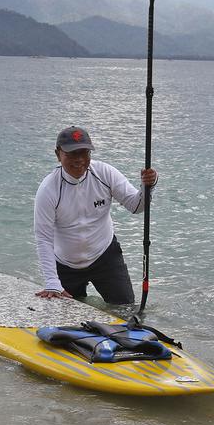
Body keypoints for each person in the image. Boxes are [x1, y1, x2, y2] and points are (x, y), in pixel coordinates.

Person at [33, 126, 157, 303]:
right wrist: (52, 282)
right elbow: (43, 238)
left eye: (84, 153)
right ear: (57, 154)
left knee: (126, 310)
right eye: (71, 154)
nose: (79, 160)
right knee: (65, 320)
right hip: (65, 265)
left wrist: (148, 186)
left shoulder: (105, 173)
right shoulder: (48, 189)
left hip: (105, 257)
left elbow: (136, 206)